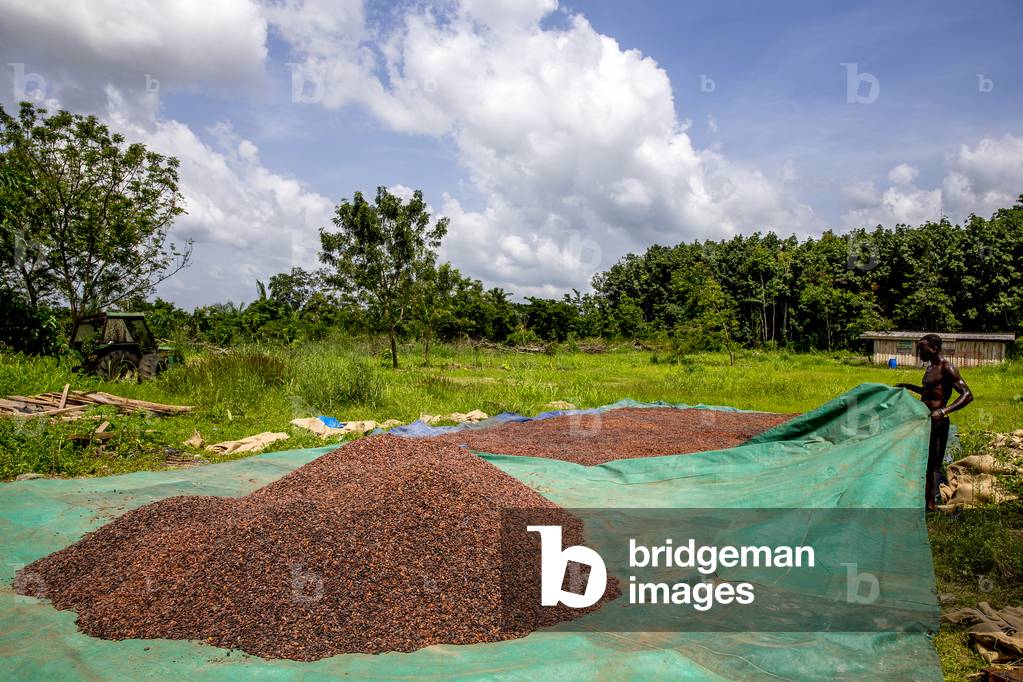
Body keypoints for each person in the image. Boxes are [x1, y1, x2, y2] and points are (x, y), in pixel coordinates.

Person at [896, 334, 973, 510]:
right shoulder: (930, 368)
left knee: (932, 464)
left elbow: (967, 395)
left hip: (937, 423)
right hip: (924, 420)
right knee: (922, 461)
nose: (919, 353)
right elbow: (929, 392)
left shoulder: (947, 367)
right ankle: (924, 500)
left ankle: (930, 504)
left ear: (934, 349)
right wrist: (908, 387)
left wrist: (944, 411)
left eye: (921, 349)